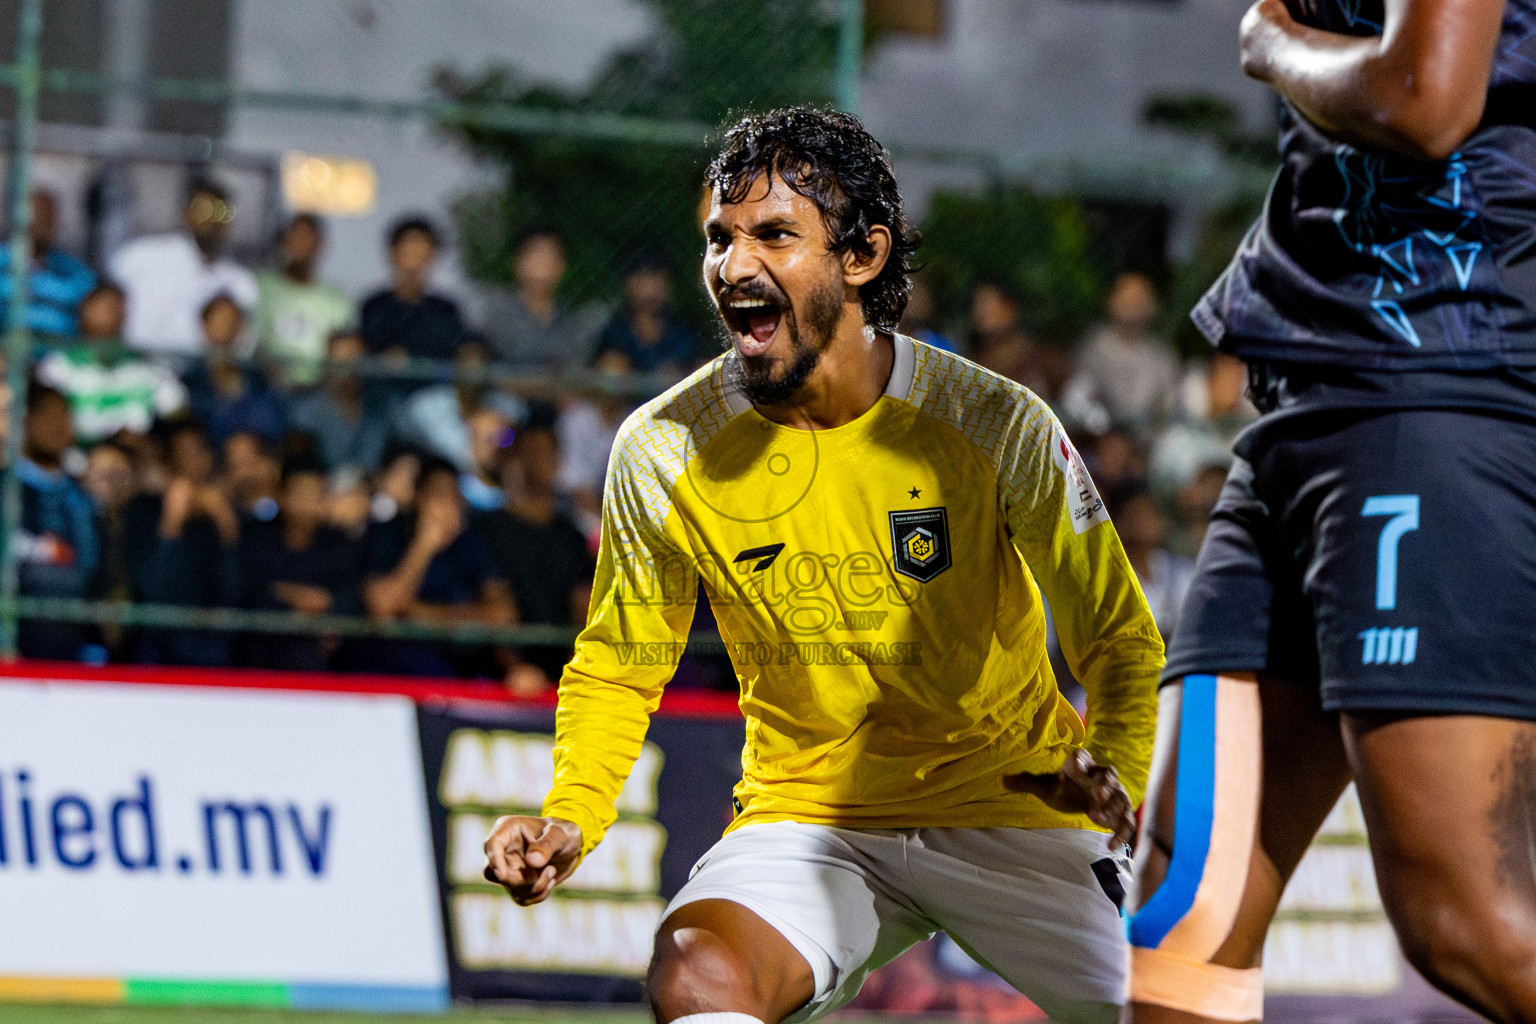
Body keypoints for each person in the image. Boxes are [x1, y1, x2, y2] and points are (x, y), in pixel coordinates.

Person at [482, 108, 1163, 1024]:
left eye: (773, 234)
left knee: (1181, 1003)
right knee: (696, 975)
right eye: (719, 239)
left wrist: (1116, 775)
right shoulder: (663, 447)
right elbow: (618, 664)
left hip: (1021, 807)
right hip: (810, 820)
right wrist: (571, 814)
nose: (732, 266)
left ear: (863, 257)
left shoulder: (995, 424)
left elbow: (1119, 638)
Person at [1124, 3, 1536, 1023]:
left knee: (1466, 919)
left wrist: (1269, 44)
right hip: (1316, 386)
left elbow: (1424, 98)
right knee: (1184, 918)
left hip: (1431, 374)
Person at [359, 455, 516, 676]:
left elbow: (503, 614)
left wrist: (419, 614)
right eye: (437, 495)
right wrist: (424, 545)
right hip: (394, 668)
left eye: (453, 496)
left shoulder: (471, 544)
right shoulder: (385, 534)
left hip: (461, 666)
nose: (446, 505)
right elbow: (384, 608)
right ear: (417, 497)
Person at [478, 420, 594, 692]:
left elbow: (583, 607)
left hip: (565, 676)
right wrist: (514, 667)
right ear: (514, 459)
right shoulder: (487, 529)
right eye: (530, 451)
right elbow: (491, 606)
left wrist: (578, 669)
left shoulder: (571, 537)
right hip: (497, 677)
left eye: (547, 452)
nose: (540, 460)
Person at [237, 455, 360, 671]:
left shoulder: (341, 545)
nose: (308, 503)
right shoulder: (255, 538)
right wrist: (305, 607)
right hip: (257, 657)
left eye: (316, 494)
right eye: (301, 494)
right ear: (281, 495)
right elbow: (248, 598)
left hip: (322, 661)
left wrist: (285, 593)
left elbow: (348, 603)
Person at [109, 180, 258, 358]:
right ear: (185, 212)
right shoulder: (141, 256)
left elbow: (243, 344)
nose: (210, 219)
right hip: (139, 365)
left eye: (220, 212)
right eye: (202, 209)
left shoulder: (240, 281)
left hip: (201, 374)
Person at [34, 281, 189, 444]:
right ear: (85, 312)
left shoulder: (147, 368)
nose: (116, 316)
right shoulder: (56, 368)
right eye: (107, 308)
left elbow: (178, 414)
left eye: (120, 309)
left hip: (135, 459)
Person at [12, 384, 99, 660]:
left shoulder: (83, 497)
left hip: (77, 643)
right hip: (18, 639)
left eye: (64, 416)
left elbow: (96, 568)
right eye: (45, 415)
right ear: (25, 422)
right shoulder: (9, 489)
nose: (57, 425)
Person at [1060, 272, 1181, 435]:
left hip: (1147, 443)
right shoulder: (1091, 348)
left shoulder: (1163, 357)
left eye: (1140, 296)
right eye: (1127, 296)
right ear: (1110, 300)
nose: (1133, 303)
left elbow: (1170, 409)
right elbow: (1076, 400)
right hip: (1099, 440)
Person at [477, 226, 600, 371]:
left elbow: (578, 371)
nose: (544, 263)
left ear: (562, 266)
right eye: (536, 254)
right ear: (517, 262)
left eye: (552, 256)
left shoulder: (575, 320)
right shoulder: (495, 314)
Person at [253, 213, 352, 388]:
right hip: (267, 387)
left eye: (309, 237)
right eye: (297, 235)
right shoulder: (262, 286)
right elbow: (252, 341)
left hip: (319, 391)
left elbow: (342, 347)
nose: (302, 243)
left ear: (321, 245)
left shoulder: (333, 297)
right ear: (284, 241)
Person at [182, 294, 286, 447]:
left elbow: (270, 423)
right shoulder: (192, 378)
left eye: (230, 322)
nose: (224, 328)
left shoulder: (261, 378)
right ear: (204, 327)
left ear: (240, 326)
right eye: (217, 322)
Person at [359, 216, 465, 362]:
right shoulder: (374, 307)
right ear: (393, 251)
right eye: (410, 244)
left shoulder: (445, 309)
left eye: (423, 245)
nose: (415, 253)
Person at [286, 329, 392, 474]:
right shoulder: (306, 414)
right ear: (327, 363)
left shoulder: (381, 407)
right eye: (341, 362)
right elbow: (299, 472)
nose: (348, 370)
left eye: (355, 361)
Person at [0, 191, 95, 337]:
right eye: (36, 214)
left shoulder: (76, 273)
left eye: (48, 217)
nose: (41, 224)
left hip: (60, 356)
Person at [592, 250, 699, 378]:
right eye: (644, 279)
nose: (653, 286)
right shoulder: (616, 331)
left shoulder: (683, 329)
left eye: (659, 278)